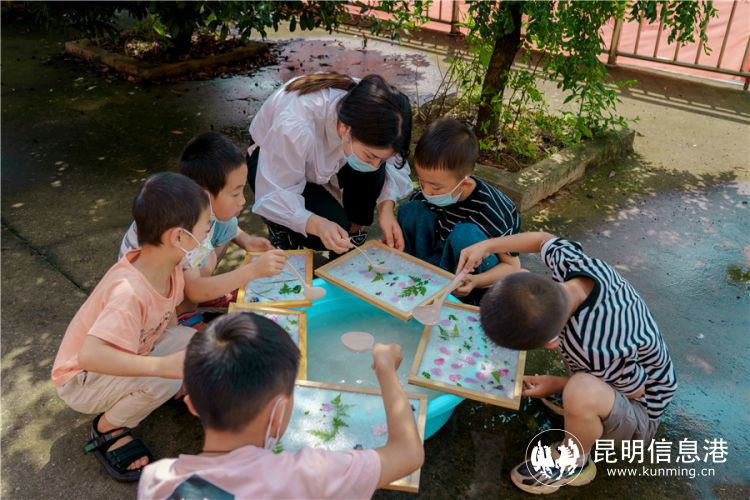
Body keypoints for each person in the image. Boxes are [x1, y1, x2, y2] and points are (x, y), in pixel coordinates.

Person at [459, 232, 677, 494]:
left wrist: (561, 385)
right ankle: (580, 403)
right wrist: (487, 246)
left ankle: (574, 461)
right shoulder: (572, 265)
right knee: (581, 384)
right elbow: (542, 240)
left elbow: (635, 390)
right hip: (617, 368)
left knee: (581, 391)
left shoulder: (595, 348)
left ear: (552, 341)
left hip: (642, 410)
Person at [138, 312, 425, 499]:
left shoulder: (157, 480)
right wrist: (386, 370)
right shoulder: (309, 476)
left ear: (192, 405)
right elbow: (408, 453)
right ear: (278, 412)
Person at [52, 173, 211, 481]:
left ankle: (158, 384)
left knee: (195, 344)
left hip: (124, 354)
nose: (207, 235)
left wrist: (176, 363)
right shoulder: (129, 292)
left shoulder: (168, 266)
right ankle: (107, 429)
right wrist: (162, 367)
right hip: (81, 381)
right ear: (179, 237)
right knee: (164, 378)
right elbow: (90, 355)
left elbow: (165, 318)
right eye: (205, 227)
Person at [118, 132, 287, 315]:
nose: (243, 201)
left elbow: (227, 225)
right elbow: (195, 290)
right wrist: (253, 270)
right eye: (235, 193)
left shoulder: (190, 205)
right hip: (149, 305)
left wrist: (246, 240)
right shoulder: (182, 229)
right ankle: (184, 310)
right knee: (208, 257)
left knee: (225, 224)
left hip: (175, 279)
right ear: (204, 195)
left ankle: (205, 292)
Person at [247, 72, 413, 254]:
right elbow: (274, 192)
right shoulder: (294, 125)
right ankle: (283, 230)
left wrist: (386, 209)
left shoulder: (376, 111)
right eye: (370, 155)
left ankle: (351, 236)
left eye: (381, 158)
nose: (375, 165)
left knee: (374, 172)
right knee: (328, 229)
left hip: (330, 151)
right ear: (345, 128)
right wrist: (317, 225)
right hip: (274, 162)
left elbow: (393, 163)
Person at [397, 118, 521, 303]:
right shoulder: (428, 190)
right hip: (435, 259)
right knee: (411, 210)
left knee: (465, 234)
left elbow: (512, 267)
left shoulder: (494, 211)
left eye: (436, 187)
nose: (427, 191)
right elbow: (416, 217)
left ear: (465, 183)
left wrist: (477, 281)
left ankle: (466, 297)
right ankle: (410, 272)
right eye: (422, 181)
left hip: (469, 277)